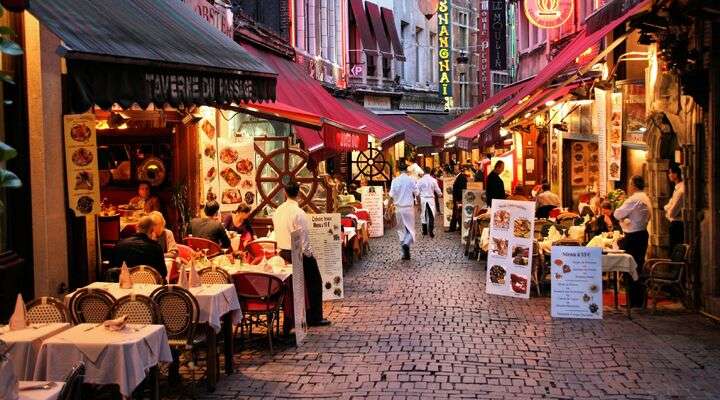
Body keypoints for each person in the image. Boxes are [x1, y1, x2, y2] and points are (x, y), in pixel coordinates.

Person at [273, 182, 329, 327]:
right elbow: (303, 239)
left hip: (283, 253)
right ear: (298, 193)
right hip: (297, 253)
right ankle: (314, 317)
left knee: (293, 286)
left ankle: (294, 316)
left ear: (285, 193)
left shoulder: (278, 210)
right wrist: (310, 255)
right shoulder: (299, 213)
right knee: (315, 283)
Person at [614, 175, 652, 308]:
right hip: (642, 234)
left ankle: (634, 301)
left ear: (634, 185)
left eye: (630, 184)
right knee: (638, 266)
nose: (629, 187)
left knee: (630, 267)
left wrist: (623, 218)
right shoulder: (646, 197)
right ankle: (637, 300)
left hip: (633, 237)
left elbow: (617, 214)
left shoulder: (634, 199)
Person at [389, 159, 419, 260]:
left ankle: (405, 253)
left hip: (398, 208)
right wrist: (419, 205)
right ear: (406, 170)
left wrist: (387, 207)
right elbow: (417, 193)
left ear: (398, 170)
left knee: (401, 230)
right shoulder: (411, 180)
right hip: (408, 208)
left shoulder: (395, 180)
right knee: (410, 229)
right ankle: (406, 244)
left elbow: (391, 196)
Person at [664, 164, 685, 253]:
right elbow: (667, 206)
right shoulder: (677, 189)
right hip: (675, 223)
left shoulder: (681, 190)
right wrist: (668, 208)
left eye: (670, 173)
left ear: (676, 174)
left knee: (675, 251)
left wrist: (668, 210)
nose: (669, 175)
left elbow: (672, 212)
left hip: (678, 224)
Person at [417, 167, 442, 238]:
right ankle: (431, 231)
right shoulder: (433, 180)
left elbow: (416, 191)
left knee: (423, 214)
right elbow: (437, 189)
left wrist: (417, 200)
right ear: (430, 171)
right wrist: (440, 194)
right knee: (431, 215)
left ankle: (424, 231)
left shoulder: (420, 180)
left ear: (424, 172)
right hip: (430, 199)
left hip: (423, 199)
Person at [448, 166, 469, 232]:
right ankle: (455, 228)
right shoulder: (458, 176)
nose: (454, 170)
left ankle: (457, 228)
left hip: (459, 198)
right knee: (456, 213)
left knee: (458, 213)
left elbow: (462, 189)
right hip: (457, 198)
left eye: (456, 169)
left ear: (459, 170)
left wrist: (458, 199)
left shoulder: (462, 177)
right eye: (454, 169)